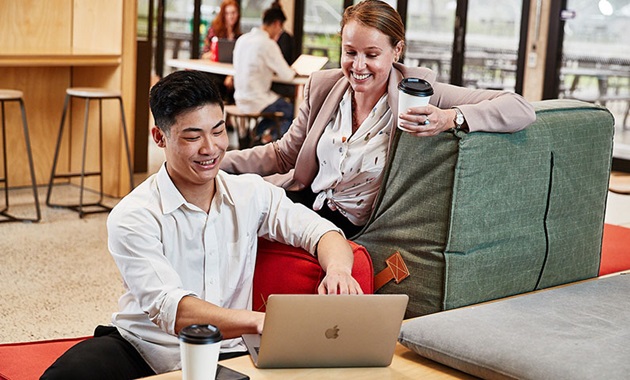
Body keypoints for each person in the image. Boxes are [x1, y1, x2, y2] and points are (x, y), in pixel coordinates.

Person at [40, 70, 363, 380]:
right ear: (160, 137)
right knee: (69, 375)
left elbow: (321, 232)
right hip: (144, 348)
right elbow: (173, 309)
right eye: (193, 136)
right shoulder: (134, 215)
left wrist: (338, 271)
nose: (210, 148)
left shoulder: (251, 193)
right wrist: (263, 323)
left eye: (218, 131)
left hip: (227, 352)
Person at [220, 0, 536, 237]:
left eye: (371, 55)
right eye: (349, 52)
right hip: (300, 206)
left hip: (352, 229)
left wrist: (450, 118)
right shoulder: (324, 87)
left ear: (396, 51)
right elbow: (282, 154)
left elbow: (520, 108)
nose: (358, 66)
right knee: (226, 215)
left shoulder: (421, 94)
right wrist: (218, 160)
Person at [232, 4, 296, 142]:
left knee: (278, 111)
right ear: (277, 24)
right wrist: (293, 71)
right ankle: (267, 141)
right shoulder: (268, 44)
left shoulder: (242, 39)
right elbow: (287, 75)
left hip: (239, 98)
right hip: (257, 100)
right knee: (293, 111)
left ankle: (257, 136)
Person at [201, 0, 242, 103]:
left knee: (238, 84)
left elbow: (239, 60)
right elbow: (204, 54)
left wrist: (231, 75)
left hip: (230, 72)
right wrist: (213, 54)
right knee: (217, 84)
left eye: (233, 13)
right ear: (223, 15)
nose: (231, 16)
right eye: (228, 13)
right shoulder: (214, 30)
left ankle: (227, 115)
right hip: (214, 71)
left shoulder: (239, 36)